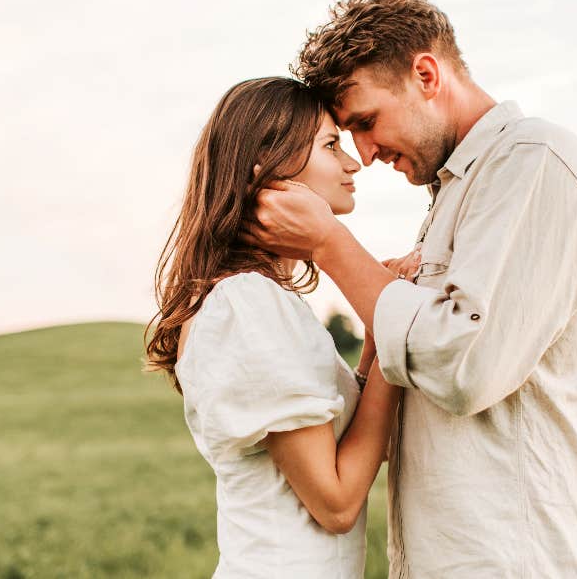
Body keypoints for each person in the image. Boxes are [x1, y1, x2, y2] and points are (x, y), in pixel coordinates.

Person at [243, 0, 577, 577]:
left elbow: (464, 364)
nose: (365, 154)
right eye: (347, 136)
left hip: (525, 559)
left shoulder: (533, 161)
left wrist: (328, 242)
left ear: (426, 74)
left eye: (367, 122)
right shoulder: (458, 193)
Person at [144, 76, 416, 578]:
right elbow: (335, 503)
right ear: (269, 173)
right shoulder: (245, 303)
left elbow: (343, 443)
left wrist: (379, 341)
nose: (352, 162)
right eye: (331, 145)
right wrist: (402, 344)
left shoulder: (258, 300)